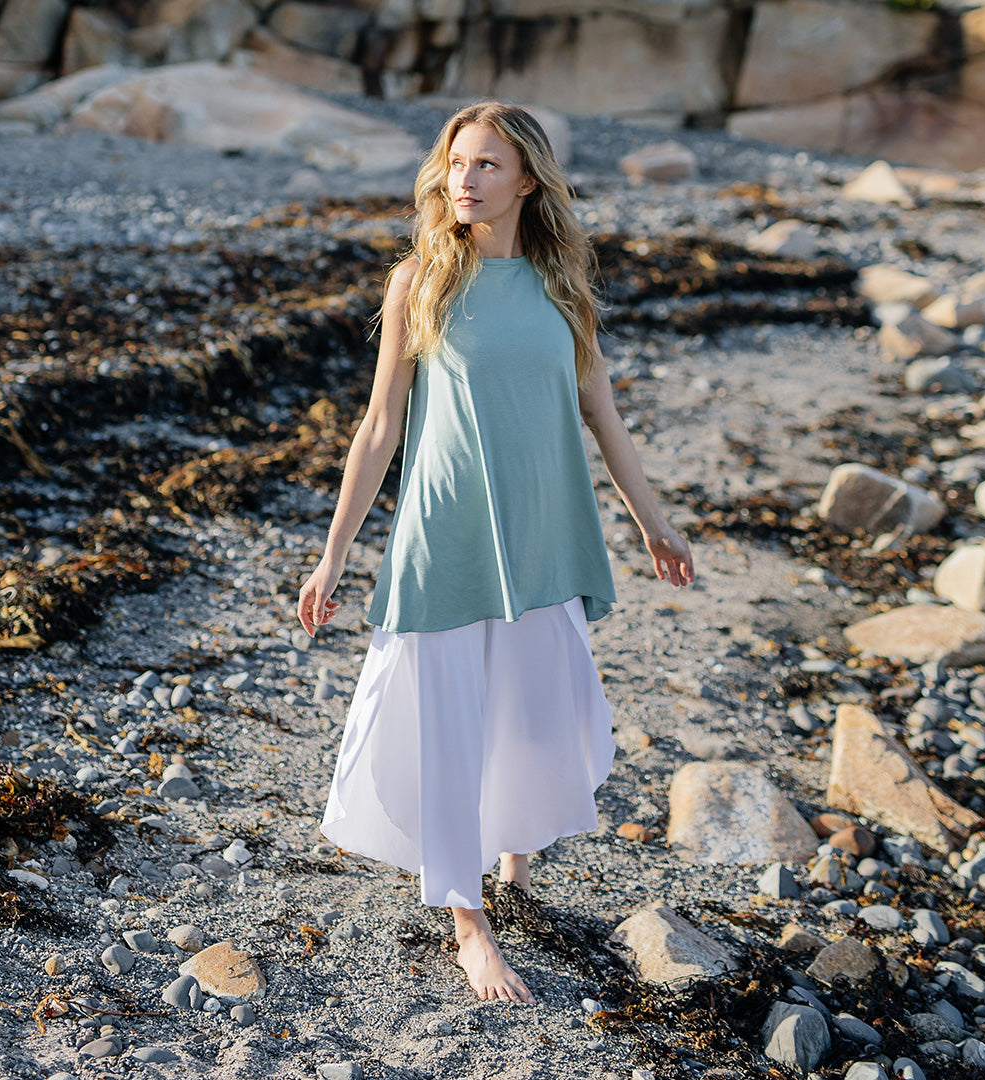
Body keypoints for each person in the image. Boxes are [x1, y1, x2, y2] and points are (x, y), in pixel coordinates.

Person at [297, 101, 694, 1005]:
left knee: (535, 712)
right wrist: (333, 558)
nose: (464, 180)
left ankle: (513, 865)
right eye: (456, 164)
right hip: (447, 534)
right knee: (449, 725)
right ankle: (467, 922)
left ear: (528, 181)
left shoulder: (563, 291)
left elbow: (604, 416)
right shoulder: (421, 282)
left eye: (485, 165)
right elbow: (379, 427)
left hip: (545, 531)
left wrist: (653, 520)